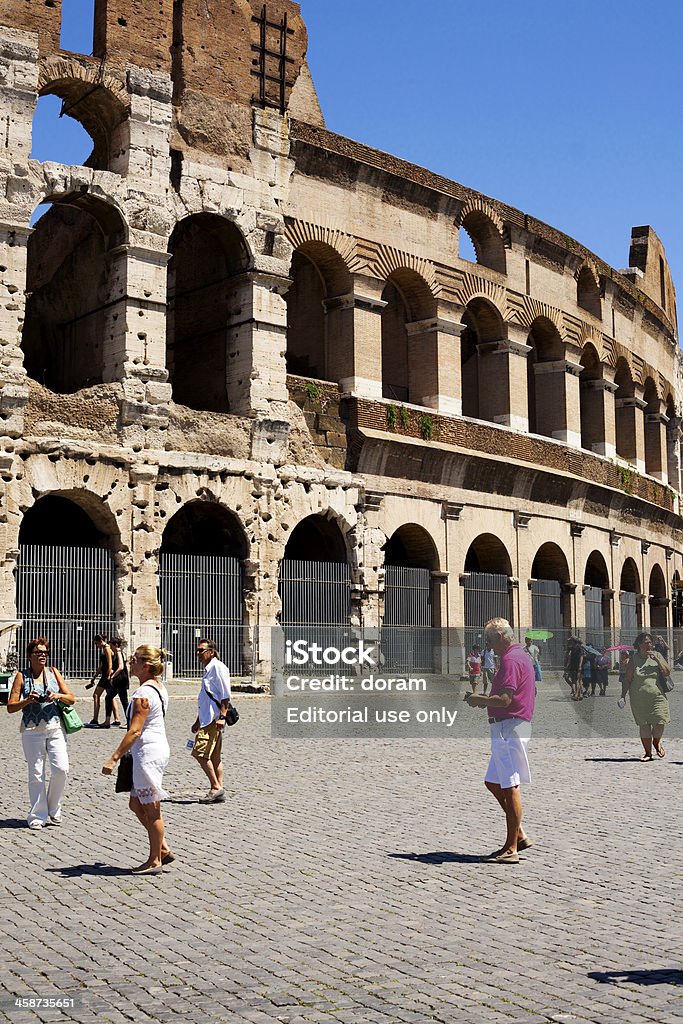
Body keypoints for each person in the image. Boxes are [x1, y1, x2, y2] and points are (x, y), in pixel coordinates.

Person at [464, 618, 536, 864]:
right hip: (509, 726)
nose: (488, 646)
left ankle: (511, 848)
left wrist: (479, 699)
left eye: (490, 640)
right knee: (493, 782)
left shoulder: (510, 659)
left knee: (510, 785)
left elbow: (505, 699)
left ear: (502, 637)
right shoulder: (518, 656)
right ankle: (519, 832)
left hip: (510, 726)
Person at [102, 644, 173, 874]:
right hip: (155, 748)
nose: (130, 662)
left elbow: (134, 731)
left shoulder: (143, 693)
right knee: (136, 804)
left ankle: (154, 861)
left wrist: (114, 757)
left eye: (134, 659)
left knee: (152, 809)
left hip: (148, 753)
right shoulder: (158, 687)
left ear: (145, 666)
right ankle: (162, 848)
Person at [7, 636, 75, 829]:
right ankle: (37, 814)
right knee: (36, 774)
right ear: (30, 656)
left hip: (54, 728)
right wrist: (27, 700)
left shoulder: (53, 672)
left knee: (61, 769)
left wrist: (58, 695)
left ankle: (53, 807)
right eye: (38, 653)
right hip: (31, 731)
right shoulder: (22, 676)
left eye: (45, 652)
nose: (43, 656)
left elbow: (71, 698)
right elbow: (11, 707)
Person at [619, 632, 671, 761]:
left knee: (660, 721)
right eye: (646, 642)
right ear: (639, 644)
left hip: (658, 696)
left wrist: (657, 660)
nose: (649, 644)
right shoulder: (634, 659)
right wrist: (622, 696)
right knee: (644, 725)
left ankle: (656, 741)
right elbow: (627, 679)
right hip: (639, 698)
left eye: (650, 642)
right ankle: (648, 753)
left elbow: (667, 671)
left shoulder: (657, 655)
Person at [192, 638, 232, 803]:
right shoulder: (209, 669)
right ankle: (219, 788)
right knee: (214, 756)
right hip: (207, 717)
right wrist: (197, 719)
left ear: (211, 652)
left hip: (213, 719)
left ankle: (215, 787)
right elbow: (208, 696)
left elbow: (225, 695)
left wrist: (222, 717)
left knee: (199, 753)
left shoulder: (217, 667)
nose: (198, 654)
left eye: (201, 650)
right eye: (197, 650)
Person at [85, 634, 119, 728]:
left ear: (100, 641)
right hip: (105, 675)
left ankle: (95, 719)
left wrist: (108, 676)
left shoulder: (107, 649)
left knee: (96, 695)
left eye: (96, 643)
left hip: (106, 676)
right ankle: (117, 719)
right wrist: (94, 677)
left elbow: (110, 664)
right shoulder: (105, 649)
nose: (96, 646)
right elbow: (101, 665)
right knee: (110, 696)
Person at [101, 637, 129, 729]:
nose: (111, 647)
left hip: (121, 679)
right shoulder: (117, 653)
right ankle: (107, 721)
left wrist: (112, 676)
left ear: (116, 645)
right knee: (109, 697)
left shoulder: (119, 652)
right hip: (119, 678)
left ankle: (129, 721)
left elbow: (121, 666)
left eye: (112, 645)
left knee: (123, 700)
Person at [565, 637, 584, 701]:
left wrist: (580, 666)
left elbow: (581, 657)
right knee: (574, 681)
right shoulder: (572, 648)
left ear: (574, 641)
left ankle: (576, 694)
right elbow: (569, 656)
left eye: (571, 641)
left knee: (577, 680)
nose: (570, 642)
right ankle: (579, 694)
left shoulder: (579, 647)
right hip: (572, 666)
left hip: (577, 666)